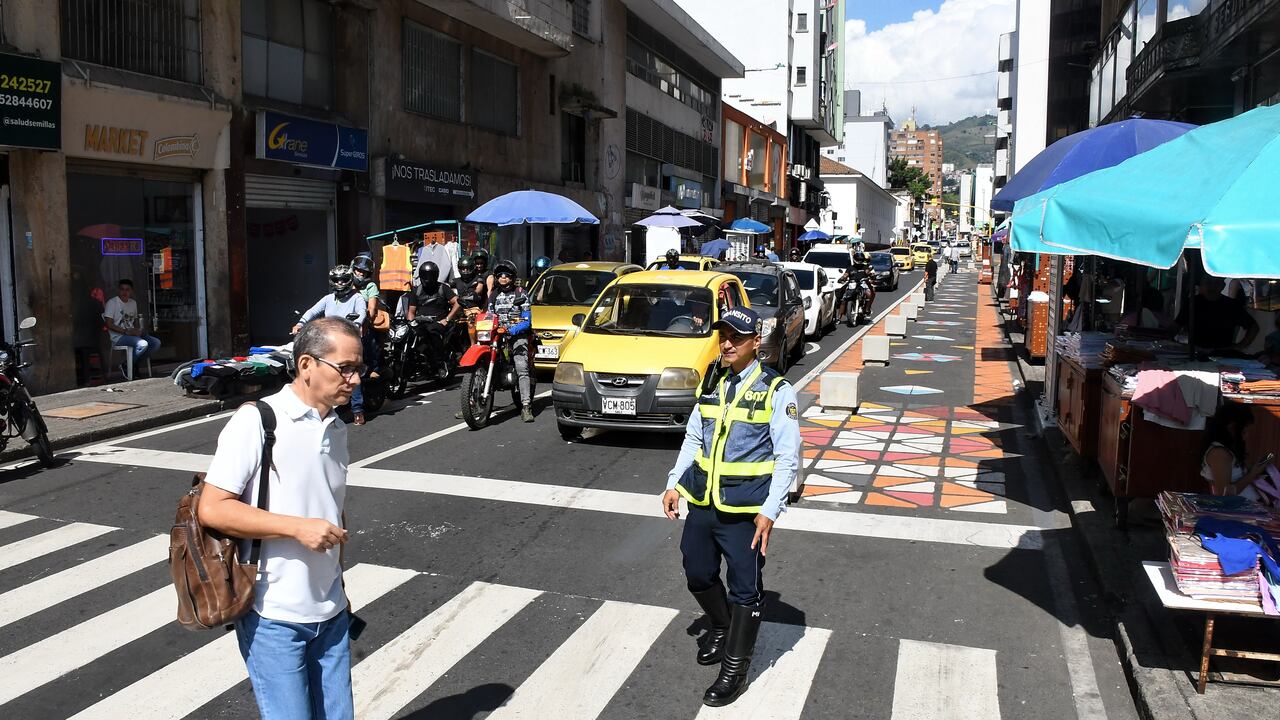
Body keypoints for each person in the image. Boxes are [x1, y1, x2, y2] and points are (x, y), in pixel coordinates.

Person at [199, 316, 359, 719]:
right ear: (307, 365)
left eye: (358, 367)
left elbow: (327, 503)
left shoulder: (336, 426)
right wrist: (297, 528)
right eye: (346, 368)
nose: (355, 379)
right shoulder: (258, 421)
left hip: (331, 612)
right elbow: (213, 507)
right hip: (274, 616)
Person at [660, 306, 800, 708]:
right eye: (723, 336)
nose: (727, 343)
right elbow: (693, 437)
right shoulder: (712, 383)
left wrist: (770, 511)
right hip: (704, 501)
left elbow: (787, 457)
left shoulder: (777, 390)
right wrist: (675, 485)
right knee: (697, 573)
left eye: (736, 338)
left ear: (755, 342)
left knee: (745, 590)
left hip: (746, 511)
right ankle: (720, 626)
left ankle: (734, 671)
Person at [294, 265, 369, 425]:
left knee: (350, 374)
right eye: (336, 280)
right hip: (329, 342)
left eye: (343, 279)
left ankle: (357, 410)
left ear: (350, 280)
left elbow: (361, 313)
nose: (340, 283)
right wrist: (300, 323)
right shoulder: (328, 299)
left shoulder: (357, 298)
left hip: (349, 343)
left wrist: (355, 324)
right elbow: (312, 311)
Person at [488, 260, 535, 422]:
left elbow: (527, 320)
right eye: (499, 275)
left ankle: (526, 406)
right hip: (496, 335)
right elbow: (488, 315)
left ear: (512, 277)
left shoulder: (521, 293)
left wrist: (511, 330)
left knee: (522, 367)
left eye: (506, 275)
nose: (502, 278)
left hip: (516, 334)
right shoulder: (494, 294)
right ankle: (474, 403)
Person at [1202, 403, 1276, 503]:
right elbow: (1223, 494)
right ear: (1232, 428)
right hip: (1240, 511)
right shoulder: (1219, 453)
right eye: (1245, 431)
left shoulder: (1229, 449)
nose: (1247, 436)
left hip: (1251, 505)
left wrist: (1256, 469)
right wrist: (1254, 473)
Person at [1175, 277, 1260, 354]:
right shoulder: (1192, 303)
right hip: (1196, 352)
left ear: (1222, 286)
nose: (1212, 287)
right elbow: (1176, 325)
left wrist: (1240, 346)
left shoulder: (1231, 306)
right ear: (1201, 285)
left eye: (1216, 283)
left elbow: (1253, 327)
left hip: (1223, 354)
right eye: (1208, 283)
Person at [406, 261, 460, 378]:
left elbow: (457, 303)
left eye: (429, 276)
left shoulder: (443, 288)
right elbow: (411, 312)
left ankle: (440, 363)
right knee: (407, 334)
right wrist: (411, 323)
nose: (427, 279)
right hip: (420, 322)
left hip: (438, 322)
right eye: (424, 276)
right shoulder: (416, 291)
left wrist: (447, 318)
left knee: (433, 332)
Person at [103, 278, 161, 378]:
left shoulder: (133, 303)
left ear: (131, 291)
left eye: (127, 290)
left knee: (156, 343)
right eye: (122, 289)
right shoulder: (112, 303)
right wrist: (125, 331)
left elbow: (133, 322)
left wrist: (137, 330)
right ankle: (128, 365)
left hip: (132, 335)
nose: (124, 292)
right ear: (118, 290)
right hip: (118, 337)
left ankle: (130, 363)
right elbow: (109, 324)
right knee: (142, 344)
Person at [351, 253, 381, 378]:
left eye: (364, 271)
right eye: (359, 270)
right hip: (345, 322)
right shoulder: (346, 283)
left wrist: (366, 320)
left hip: (363, 322)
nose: (361, 273)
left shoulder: (370, 286)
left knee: (368, 340)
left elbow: (372, 308)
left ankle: (374, 367)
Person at [453, 255, 484, 344]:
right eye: (463, 268)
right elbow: (446, 287)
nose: (465, 271)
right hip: (458, 308)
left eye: (467, 268)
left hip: (472, 308)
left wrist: (474, 293)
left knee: (471, 322)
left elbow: (479, 288)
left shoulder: (478, 279)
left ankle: (472, 345)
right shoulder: (456, 281)